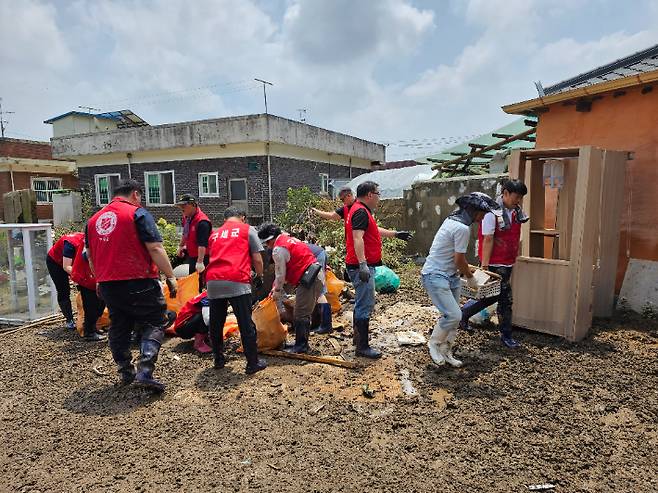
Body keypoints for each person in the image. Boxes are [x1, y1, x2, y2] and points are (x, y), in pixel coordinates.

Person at [86, 179, 178, 392]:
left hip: (108, 284)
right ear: (135, 194)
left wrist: (99, 278)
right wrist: (170, 276)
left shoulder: (93, 220)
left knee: (119, 325)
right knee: (156, 320)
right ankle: (145, 369)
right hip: (138, 280)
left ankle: (126, 370)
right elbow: (155, 248)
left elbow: (90, 255)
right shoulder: (137, 213)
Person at [421, 192, 501, 368]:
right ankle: (434, 343)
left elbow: (453, 257)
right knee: (454, 315)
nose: (483, 217)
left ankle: (446, 350)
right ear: (472, 210)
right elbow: (458, 260)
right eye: (482, 212)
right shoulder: (462, 229)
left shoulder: (451, 221)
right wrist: (471, 278)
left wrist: (466, 268)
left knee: (455, 318)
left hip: (450, 276)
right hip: (435, 275)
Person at [345, 181, 413, 359]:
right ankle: (362, 347)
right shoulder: (360, 211)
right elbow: (357, 238)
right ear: (369, 195)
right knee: (365, 304)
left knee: (362, 302)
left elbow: (373, 231)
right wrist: (363, 264)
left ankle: (358, 340)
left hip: (363, 264)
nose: (379, 198)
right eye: (378, 194)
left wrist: (396, 234)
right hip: (361, 266)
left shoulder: (361, 210)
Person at [460, 179, 529, 349]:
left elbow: (515, 236)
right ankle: (506, 335)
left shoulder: (516, 212)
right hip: (494, 264)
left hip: (507, 262)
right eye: (516, 196)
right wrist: (484, 267)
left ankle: (462, 315)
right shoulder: (492, 213)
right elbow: (488, 239)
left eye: (520, 197)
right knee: (505, 300)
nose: (518, 200)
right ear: (505, 193)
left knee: (489, 296)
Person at [205, 207, 267, 374]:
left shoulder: (215, 234)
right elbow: (257, 259)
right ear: (243, 217)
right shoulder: (247, 229)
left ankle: (218, 359)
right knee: (245, 323)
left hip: (213, 280)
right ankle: (252, 363)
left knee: (216, 323)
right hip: (237, 279)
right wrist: (259, 276)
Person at [258, 223, 323, 354]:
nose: (267, 246)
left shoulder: (278, 249)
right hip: (313, 276)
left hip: (310, 279)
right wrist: (275, 287)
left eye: (267, 243)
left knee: (300, 313)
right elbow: (288, 271)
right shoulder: (290, 240)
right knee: (301, 310)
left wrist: (277, 291)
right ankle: (300, 343)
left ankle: (301, 346)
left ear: (270, 239)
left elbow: (280, 275)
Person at [47, 232, 84, 329]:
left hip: (72, 262)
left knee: (84, 287)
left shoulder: (89, 242)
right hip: (55, 262)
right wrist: (81, 277)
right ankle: (69, 319)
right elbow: (66, 267)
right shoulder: (70, 244)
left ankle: (87, 316)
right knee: (63, 290)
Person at [69, 246, 107, 342]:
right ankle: (89, 332)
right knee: (91, 305)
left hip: (95, 275)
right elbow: (86, 255)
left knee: (100, 303)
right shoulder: (90, 238)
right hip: (87, 276)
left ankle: (93, 328)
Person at [176, 194, 212, 292]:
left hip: (203, 256)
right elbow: (185, 233)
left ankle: (204, 302)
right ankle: (195, 300)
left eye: (184, 206)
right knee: (193, 282)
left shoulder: (202, 222)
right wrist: (181, 246)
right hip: (192, 255)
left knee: (202, 282)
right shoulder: (186, 218)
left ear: (193, 205)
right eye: (180, 206)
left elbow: (202, 243)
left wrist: (200, 262)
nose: (181, 209)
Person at [306, 241, 333, 334]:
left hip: (316, 256)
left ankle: (326, 325)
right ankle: (318, 324)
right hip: (319, 253)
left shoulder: (281, 251)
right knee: (315, 289)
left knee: (318, 290)